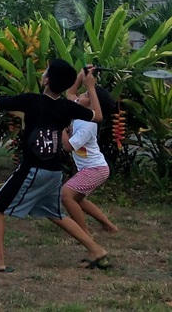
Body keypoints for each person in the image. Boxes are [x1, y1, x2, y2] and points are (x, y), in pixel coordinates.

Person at [0, 60, 109, 272]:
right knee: (56, 214)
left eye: (46, 72)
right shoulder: (66, 106)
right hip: (54, 172)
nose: (44, 73)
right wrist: (88, 85)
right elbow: (98, 115)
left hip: (33, 169)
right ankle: (96, 249)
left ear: (47, 80)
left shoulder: (31, 101)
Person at [62, 84, 119, 237]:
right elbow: (70, 92)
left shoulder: (88, 125)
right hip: (94, 168)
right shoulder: (80, 112)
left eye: (86, 95)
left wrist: (59, 125)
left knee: (66, 195)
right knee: (78, 199)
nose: (80, 95)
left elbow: (68, 147)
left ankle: (83, 233)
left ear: (93, 105)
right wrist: (84, 74)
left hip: (95, 169)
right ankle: (109, 226)